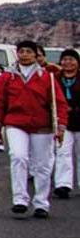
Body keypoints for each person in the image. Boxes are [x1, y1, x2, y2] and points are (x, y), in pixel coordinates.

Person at [0, 40, 70, 218]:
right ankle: (20, 199)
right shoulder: (7, 77)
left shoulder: (47, 77)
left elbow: (59, 104)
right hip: (15, 123)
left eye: (29, 51)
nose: (25, 55)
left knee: (42, 164)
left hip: (42, 126)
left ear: (36, 55)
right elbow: (0, 101)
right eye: (21, 51)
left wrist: (61, 126)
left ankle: (41, 203)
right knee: (18, 156)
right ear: (17, 54)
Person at [56, 49, 78, 200]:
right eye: (65, 59)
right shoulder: (54, 79)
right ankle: (63, 184)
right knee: (63, 152)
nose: (67, 63)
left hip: (79, 118)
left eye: (71, 59)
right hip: (62, 121)